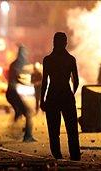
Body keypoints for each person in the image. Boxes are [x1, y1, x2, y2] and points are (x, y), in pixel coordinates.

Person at [40, 32, 81, 161]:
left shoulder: (48, 60)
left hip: (52, 96)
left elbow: (45, 82)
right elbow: (76, 81)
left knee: (53, 130)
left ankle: (57, 155)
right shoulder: (70, 59)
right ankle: (75, 155)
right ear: (65, 43)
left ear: (54, 42)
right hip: (66, 95)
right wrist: (71, 94)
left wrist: (42, 99)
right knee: (72, 129)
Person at [6, 45, 36, 142]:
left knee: (19, 112)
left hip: (11, 94)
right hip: (14, 93)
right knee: (28, 113)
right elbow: (19, 78)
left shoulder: (14, 64)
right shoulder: (18, 64)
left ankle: (15, 130)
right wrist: (28, 83)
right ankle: (27, 136)